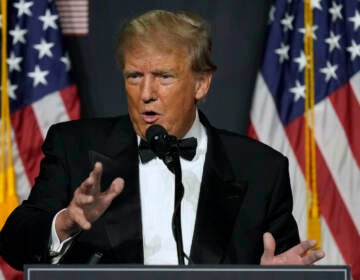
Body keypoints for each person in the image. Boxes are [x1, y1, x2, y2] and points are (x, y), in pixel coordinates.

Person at [0, 10, 324, 270]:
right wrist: (67, 222)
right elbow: (14, 245)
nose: (146, 94)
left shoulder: (260, 169)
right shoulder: (75, 148)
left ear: (201, 84)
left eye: (164, 77)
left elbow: (280, 261)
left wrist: (278, 276)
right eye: (134, 76)